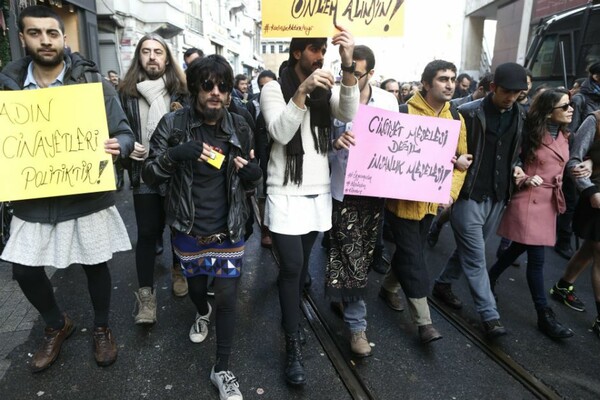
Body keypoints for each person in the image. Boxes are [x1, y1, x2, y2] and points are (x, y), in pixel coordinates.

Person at [0, 5, 134, 371]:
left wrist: (118, 146)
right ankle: (57, 324)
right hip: (33, 198)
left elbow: (124, 132)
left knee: (95, 264)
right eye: (35, 33)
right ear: (22, 37)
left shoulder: (93, 84)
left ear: (63, 37)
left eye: (52, 33)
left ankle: (102, 327)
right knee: (24, 270)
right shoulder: (6, 89)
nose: (45, 40)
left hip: (85, 196)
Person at [143, 54, 260, 400]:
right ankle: (200, 312)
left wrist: (253, 176)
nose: (216, 92)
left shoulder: (240, 125)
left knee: (226, 297)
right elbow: (148, 174)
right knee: (197, 290)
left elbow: (254, 173)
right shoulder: (174, 124)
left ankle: (222, 368)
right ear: (195, 87)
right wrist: (175, 155)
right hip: (187, 227)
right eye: (208, 85)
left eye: (223, 86)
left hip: (229, 229)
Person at [260, 29, 359, 385]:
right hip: (284, 192)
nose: (320, 56)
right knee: (292, 269)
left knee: (300, 271)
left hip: (317, 192)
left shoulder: (325, 87)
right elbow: (281, 133)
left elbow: (348, 111)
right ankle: (292, 342)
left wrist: (348, 65)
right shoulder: (273, 88)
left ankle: (292, 321)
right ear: (298, 52)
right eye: (315, 50)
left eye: (323, 51)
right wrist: (301, 91)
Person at [432, 62, 529, 338]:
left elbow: (515, 152)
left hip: (498, 195)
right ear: (492, 88)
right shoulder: (466, 113)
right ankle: (490, 314)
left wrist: (517, 166)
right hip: (468, 194)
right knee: (476, 256)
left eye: (518, 93)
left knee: (469, 249)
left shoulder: (521, 115)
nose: (512, 97)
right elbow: (442, 150)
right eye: (507, 91)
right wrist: (455, 163)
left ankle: (443, 283)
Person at [385, 60, 468, 344]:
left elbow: (461, 165)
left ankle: (387, 287)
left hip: (431, 205)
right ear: (426, 83)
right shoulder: (403, 113)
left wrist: (451, 194)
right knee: (415, 258)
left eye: (452, 79)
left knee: (411, 252)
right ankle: (424, 322)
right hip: (400, 205)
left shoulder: (456, 118)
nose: (449, 84)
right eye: (443, 79)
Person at [327, 45, 398, 356]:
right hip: (341, 189)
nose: (350, 77)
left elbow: (399, 145)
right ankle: (358, 327)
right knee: (350, 255)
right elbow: (318, 146)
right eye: (347, 71)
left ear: (371, 73)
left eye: (357, 73)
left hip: (374, 192)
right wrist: (334, 143)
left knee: (363, 257)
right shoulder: (332, 97)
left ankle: (342, 296)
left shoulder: (389, 101)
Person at [488, 88, 574, 339]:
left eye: (570, 105)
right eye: (565, 106)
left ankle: (490, 277)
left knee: (517, 248)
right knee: (537, 258)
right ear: (549, 112)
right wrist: (523, 176)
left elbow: (575, 158)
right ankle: (544, 315)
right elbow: (510, 160)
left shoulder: (568, 135)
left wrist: (586, 164)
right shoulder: (529, 134)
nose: (570, 109)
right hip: (529, 198)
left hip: (549, 201)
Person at [118, 34, 189, 324]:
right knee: (147, 233)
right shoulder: (126, 93)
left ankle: (178, 270)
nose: (151, 57)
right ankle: (146, 297)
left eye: (158, 52)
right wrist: (126, 147)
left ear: (167, 58)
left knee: (177, 227)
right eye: (145, 52)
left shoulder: (181, 93)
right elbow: (116, 130)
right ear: (138, 58)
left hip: (176, 173)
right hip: (143, 172)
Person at [551, 109, 600, 337]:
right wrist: (589, 190)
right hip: (597, 196)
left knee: (590, 248)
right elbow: (574, 160)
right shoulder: (595, 120)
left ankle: (563, 286)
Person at [554, 62, 600, 260]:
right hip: (575, 156)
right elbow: (571, 131)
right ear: (596, 76)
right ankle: (563, 240)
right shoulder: (580, 99)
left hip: (592, 162)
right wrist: (586, 156)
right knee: (569, 201)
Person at [246, 69, 277, 248]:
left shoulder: (284, 104)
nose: (266, 90)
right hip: (261, 161)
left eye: (270, 86)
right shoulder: (252, 105)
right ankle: (265, 230)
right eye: (262, 86)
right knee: (263, 196)